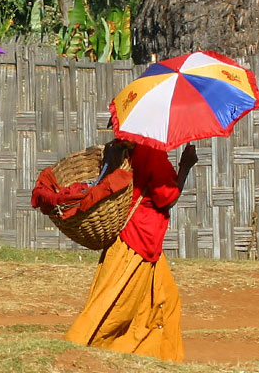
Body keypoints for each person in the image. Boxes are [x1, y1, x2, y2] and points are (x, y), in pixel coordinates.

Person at [63, 139, 197, 362]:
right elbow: (167, 198)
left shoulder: (123, 146)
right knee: (113, 308)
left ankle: (161, 359)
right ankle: (75, 352)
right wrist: (185, 167)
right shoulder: (152, 152)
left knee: (165, 300)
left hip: (138, 240)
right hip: (137, 242)